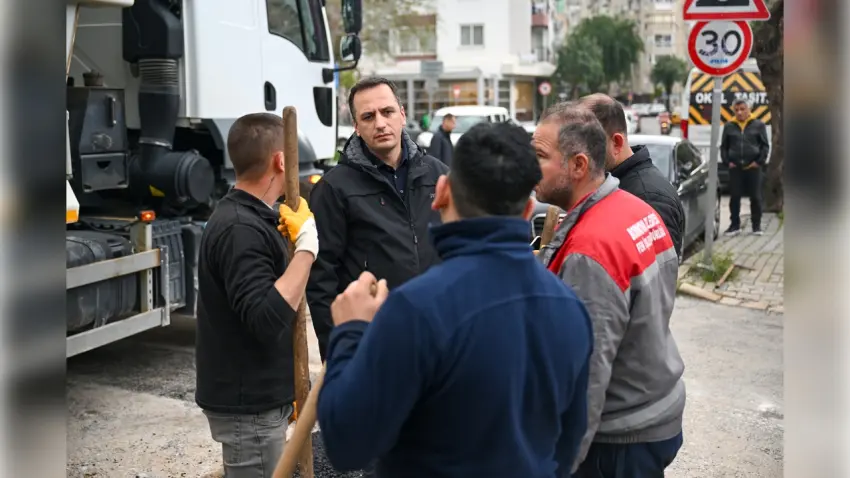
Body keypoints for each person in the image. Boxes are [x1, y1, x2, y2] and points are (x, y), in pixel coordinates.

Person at [317, 121, 594, 477]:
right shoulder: (569, 308)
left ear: (442, 192)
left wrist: (352, 331)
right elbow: (569, 445)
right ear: (527, 211)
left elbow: (346, 445)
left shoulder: (417, 309)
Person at [532, 102, 686, 478]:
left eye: (538, 156)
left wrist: (559, 465)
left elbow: (586, 376)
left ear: (579, 166)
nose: (527, 166)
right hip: (651, 407)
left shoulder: (591, 251)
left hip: (618, 439)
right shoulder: (633, 208)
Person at [194, 113, 319, 478]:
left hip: (259, 399)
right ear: (282, 160)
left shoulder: (252, 217)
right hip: (248, 407)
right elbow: (266, 318)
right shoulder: (238, 228)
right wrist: (307, 248)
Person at [307, 77, 449, 362]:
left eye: (387, 112)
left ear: (402, 114)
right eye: (368, 117)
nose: (381, 124)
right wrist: (339, 350)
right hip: (374, 344)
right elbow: (322, 279)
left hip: (439, 336)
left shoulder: (438, 175)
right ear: (356, 126)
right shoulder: (334, 188)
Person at [579, 93, 686, 259]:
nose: (579, 153)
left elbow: (658, 275)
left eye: (586, 144)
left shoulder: (649, 198)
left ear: (616, 143)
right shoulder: (611, 183)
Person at [720, 98, 770, 236]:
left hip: (753, 167)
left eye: (742, 109)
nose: (740, 112)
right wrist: (727, 161)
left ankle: (756, 226)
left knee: (755, 197)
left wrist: (759, 162)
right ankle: (734, 225)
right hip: (735, 167)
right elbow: (724, 146)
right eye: (736, 110)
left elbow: (765, 146)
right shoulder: (729, 126)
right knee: (735, 196)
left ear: (749, 109)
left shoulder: (758, 125)